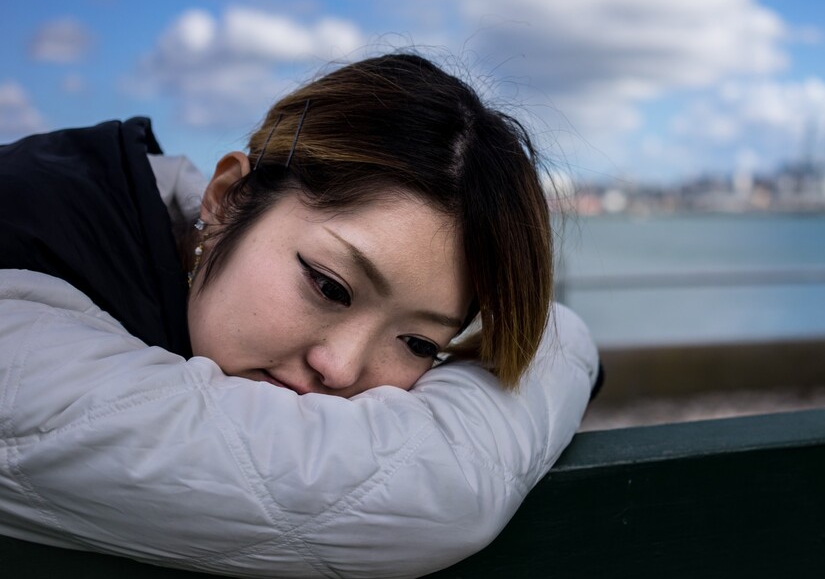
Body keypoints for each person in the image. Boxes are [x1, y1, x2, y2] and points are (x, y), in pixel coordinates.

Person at [0, 53, 599, 578]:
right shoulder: (20, 261)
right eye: (329, 286)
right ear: (227, 198)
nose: (339, 368)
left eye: (418, 343)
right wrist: (562, 344)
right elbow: (432, 494)